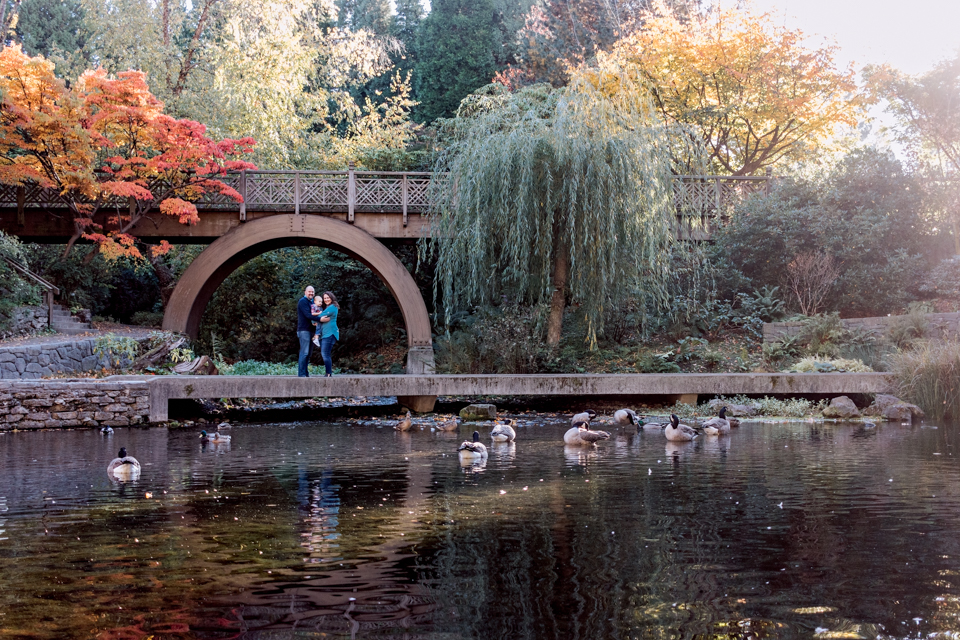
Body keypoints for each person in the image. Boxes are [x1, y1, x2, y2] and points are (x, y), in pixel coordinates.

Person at [312, 291, 340, 377]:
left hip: (330, 333)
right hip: (325, 334)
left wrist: (314, 319)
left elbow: (318, 317)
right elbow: (318, 318)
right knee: (325, 353)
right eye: (325, 298)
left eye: (328, 297)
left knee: (325, 353)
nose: (326, 299)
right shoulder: (327, 307)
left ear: (332, 297)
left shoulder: (332, 307)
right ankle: (328, 373)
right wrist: (316, 319)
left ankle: (328, 373)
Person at [296, 286, 316, 377]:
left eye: (312, 292)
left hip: (311, 330)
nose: (311, 293)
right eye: (309, 292)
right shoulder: (302, 302)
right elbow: (308, 315)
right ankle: (301, 374)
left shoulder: (312, 302)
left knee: (309, 354)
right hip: (304, 330)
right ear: (305, 292)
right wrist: (321, 318)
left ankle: (306, 373)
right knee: (304, 352)